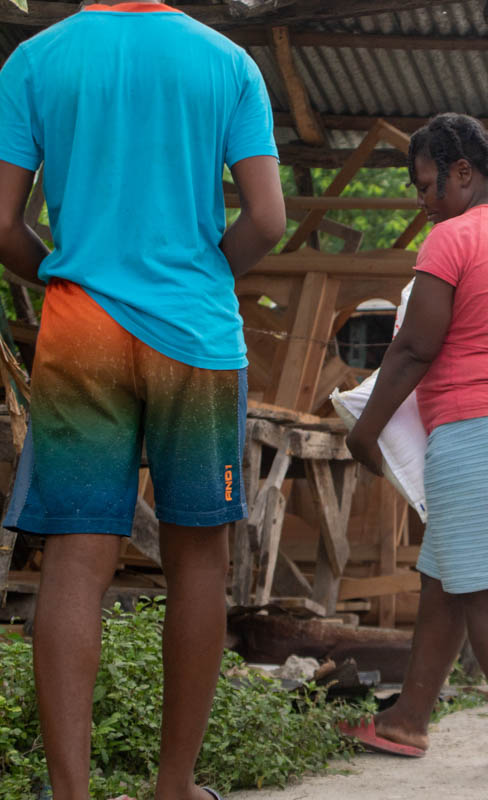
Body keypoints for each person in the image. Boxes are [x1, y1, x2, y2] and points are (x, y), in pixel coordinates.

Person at [0, 4, 284, 800]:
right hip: (194, 337)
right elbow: (266, 217)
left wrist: (67, 274)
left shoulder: (35, 61)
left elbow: (1, 220)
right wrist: (200, 276)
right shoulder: (227, 63)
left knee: (75, 556)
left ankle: (70, 793)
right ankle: (173, 787)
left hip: (79, 331)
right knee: (199, 559)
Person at [344, 113, 488, 778]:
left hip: (480, 430)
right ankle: (408, 720)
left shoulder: (453, 237)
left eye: (428, 183)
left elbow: (414, 346)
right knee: (443, 578)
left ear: (464, 172)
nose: (423, 198)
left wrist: (366, 426)